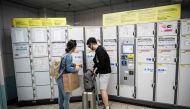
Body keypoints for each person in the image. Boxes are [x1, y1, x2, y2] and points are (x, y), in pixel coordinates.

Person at [87, 37, 111, 109]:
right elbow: (97, 61)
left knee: (103, 90)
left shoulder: (100, 50)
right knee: (103, 90)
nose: (89, 47)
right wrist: (94, 68)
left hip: (105, 73)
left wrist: (96, 71)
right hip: (104, 72)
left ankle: (107, 107)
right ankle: (105, 105)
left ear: (92, 44)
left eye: (89, 46)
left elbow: (102, 64)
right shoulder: (98, 50)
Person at [56, 40, 80, 109]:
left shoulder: (64, 54)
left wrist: (74, 64)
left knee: (61, 97)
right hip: (64, 79)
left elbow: (65, 64)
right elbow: (68, 69)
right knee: (66, 98)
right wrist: (77, 68)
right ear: (73, 47)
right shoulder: (69, 56)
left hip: (59, 78)